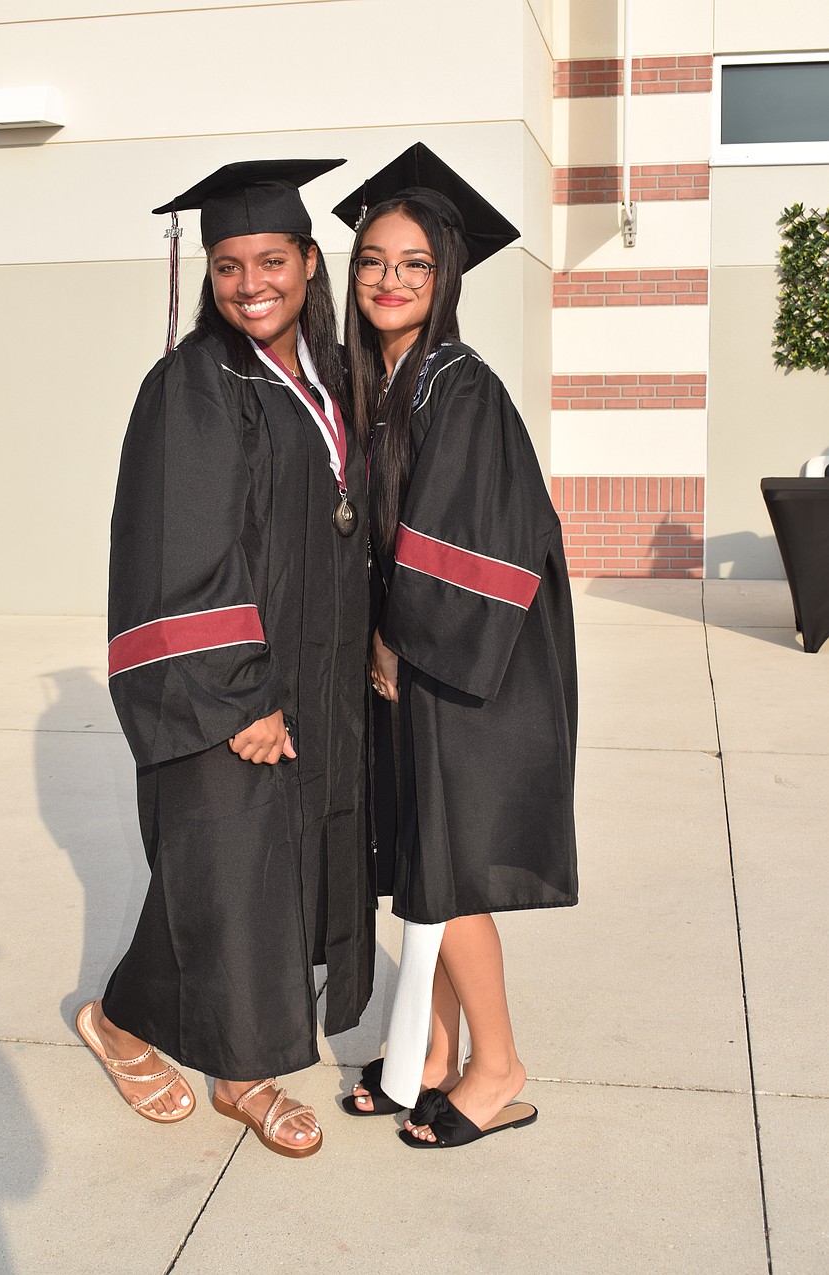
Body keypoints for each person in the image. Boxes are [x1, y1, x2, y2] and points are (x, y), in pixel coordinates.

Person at [77, 159, 374, 1159]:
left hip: (312, 679)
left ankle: (123, 1017)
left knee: (248, 876)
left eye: (271, 259)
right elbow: (174, 553)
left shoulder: (322, 377)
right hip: (228, 689)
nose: (251, 282)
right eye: (228, 264)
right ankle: (236, 1072)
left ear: (306, 263)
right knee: (232, 873)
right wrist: (240, 694)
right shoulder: (193, 385)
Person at [332, 144, 578, 1149]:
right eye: (373, 260)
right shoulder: (386, 381)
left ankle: (498, 1067)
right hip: (424, 656)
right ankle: (427, 1057)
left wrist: (393, 638)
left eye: (413, 264)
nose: (389, 279)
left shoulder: (456, 385)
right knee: (420, 862)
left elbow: (465, 538)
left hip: (474, 659)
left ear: (446, 281)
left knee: (453, 869)